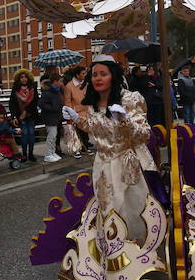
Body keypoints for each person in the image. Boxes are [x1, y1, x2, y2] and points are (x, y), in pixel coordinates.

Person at [60, 55, 157, 243]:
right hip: (102, 167)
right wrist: (76, 118)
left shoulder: (129, 99)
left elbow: (144, 134)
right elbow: (94, 127)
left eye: (103, 74)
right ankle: (114, 250)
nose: (97, 78)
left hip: (127, 165)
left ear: (113, 76)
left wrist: (124, 121)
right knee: (107, 209)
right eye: (94, 74)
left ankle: (139, 251)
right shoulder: (93, 103)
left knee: (131, 210)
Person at [9, 69, 39, 162]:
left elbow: (35, 102)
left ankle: (31, 154)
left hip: (31, 115)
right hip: (20, 117)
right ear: (18, 79)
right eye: (21, 77)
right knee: (24, 134)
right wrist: (14, 116)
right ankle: (24, 154)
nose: (24, 79)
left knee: (31, 134)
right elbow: (12, 104)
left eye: (25, 77)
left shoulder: (32, 88)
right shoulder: (15, 89)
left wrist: (25, 111)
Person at [63, 65, 89, 158]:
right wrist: (70, 113)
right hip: (75, 112)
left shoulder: (84, 84)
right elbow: (67, 101)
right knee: (74, 132)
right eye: (83, 73)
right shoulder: (69, 86)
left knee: (84, 131)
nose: (84, 75)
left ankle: (85, 147)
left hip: (85, 110)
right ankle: (75, 150)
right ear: (77, 75)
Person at [38, 78, 63, 163]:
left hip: (56, 116)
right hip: (50, 117)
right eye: (60, 81)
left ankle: (52, 152)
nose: (61, 83)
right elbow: (41, 103)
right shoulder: (47, 92)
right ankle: (48, 154)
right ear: (55, 82)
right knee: (51, 136)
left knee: (54, 135)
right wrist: (52, 108)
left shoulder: (57, 92)